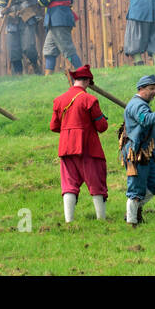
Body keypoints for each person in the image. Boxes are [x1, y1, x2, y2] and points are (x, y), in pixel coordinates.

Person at [50, 65, 110, 222]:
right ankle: (101, 220)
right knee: (96, 181)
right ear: (88, 81)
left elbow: (54, 126)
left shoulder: (59, 100)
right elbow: (102, 127)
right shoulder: (90, 99)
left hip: (66, 147)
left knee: (69, 184)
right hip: (87, 147)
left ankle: (69, 221)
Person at [121, 74, 155, 225]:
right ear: (141, 89)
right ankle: (132, 222)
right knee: (136, 190)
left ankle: (134, 210)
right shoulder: (138, 105)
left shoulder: (140, 104)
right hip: (136, 152)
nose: (153, 92)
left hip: (145, 153)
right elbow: (145, 120)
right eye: (150, 89)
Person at [38, 0, 82, 73]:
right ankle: (48, 78)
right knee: (49, 50)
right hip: (57, 20)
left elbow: (42, 1)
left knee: (68, 50)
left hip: (58, 21)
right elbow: (70, 1)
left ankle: (83, 73)